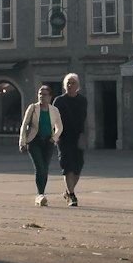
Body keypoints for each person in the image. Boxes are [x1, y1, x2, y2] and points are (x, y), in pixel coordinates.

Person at [19, 84, 63, 207]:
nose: (41, 97)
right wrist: (22, 142)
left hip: (48, 142)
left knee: (45, 168)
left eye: (44, 94)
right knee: (40, 167)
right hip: (34, 141)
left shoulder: (54, 110)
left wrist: (54, 138)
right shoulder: (33, 108)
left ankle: (42, 193)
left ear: (49, 97)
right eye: (40, 94)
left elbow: (60, 126)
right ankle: (40, 195)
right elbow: (24, 125)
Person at [53, 72, 88, 207]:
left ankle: (68, 191)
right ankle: (72, 195)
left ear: (77, 85)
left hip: (78, 136)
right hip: (63, 137)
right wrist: (55, 134)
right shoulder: (59, 101)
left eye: (73, 83)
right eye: (68, 83)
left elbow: (84, 119)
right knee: (68, 165)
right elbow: (54, 119)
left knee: (78, 166)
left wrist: (84, 136)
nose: (70, 85)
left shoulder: (82, 100)